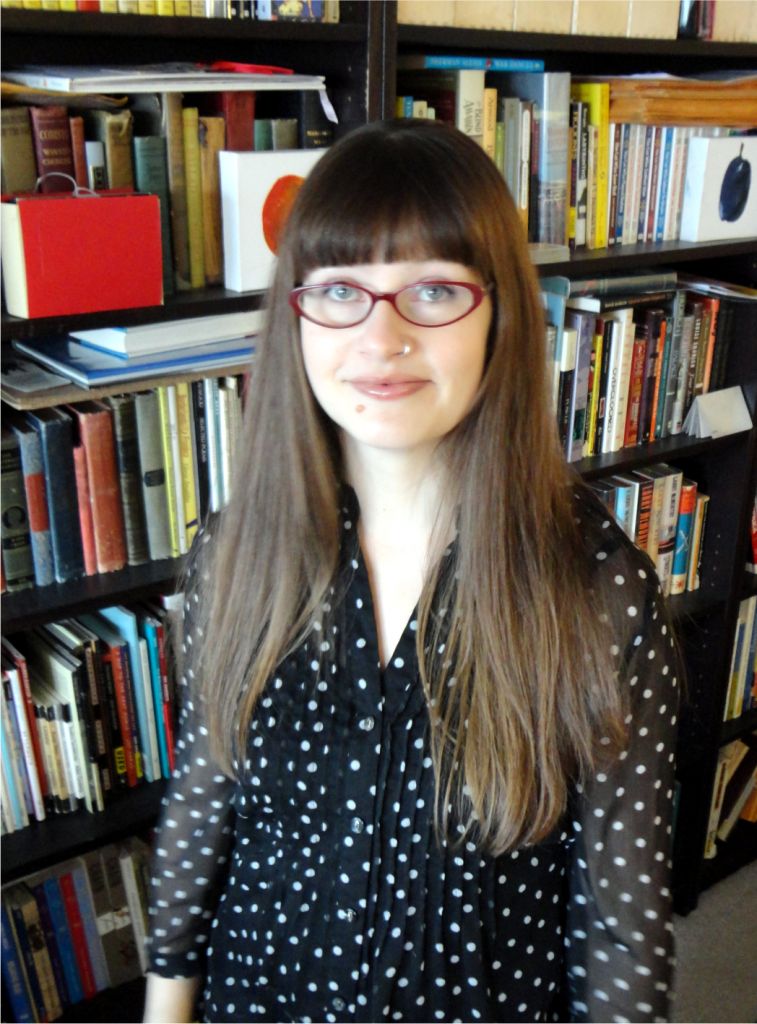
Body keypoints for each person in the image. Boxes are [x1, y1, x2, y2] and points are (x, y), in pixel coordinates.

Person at [143, 118, 680, 1024]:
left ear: (499, 314)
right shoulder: (229, 560)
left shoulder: (597, 594)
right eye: (341, 291)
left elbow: (620, 929)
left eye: (432, 291)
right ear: (298, 317)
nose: (380, 337)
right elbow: (204, 806)